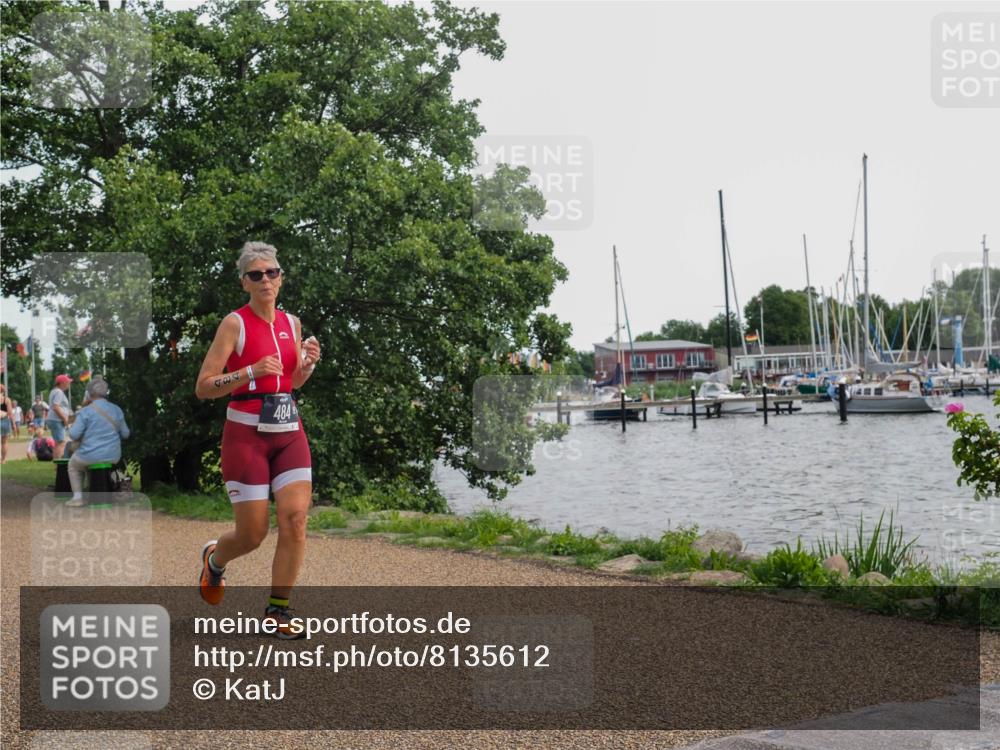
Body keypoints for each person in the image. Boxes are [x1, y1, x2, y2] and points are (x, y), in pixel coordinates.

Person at [195, 241, 321, 639]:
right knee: (252, 534)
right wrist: (248, 372)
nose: (265, 279)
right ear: (244, 283)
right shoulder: (235, 324)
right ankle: (215, 560)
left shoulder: (292, 323)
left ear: (281, 278)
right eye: (256, 274)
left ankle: (278, 612)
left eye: (272, 272)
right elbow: (204, 387)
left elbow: (291, 382)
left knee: (296, 519)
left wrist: (307, 366)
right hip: (246, 435)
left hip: (288, 433)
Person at [64, 376, 129, 507]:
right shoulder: (116, 409)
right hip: (113, 456)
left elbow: (74, 434)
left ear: (88, 394)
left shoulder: (85, 411)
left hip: (89, 455)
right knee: (90, 464)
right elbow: (126, 434)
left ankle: (77, 498)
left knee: (73, 466)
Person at [46, 374, 74, 459]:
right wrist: (65, 418)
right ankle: (59, 465)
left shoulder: (54, 391)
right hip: (57, 420)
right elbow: (56, 407)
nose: (69, 384)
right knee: (61, 443)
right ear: (61, 383)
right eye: (67, 382)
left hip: (53, 419)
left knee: (57, 443)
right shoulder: (59, 392)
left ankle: (56, 464)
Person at [0, 384, 12, 464]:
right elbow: (10, 413)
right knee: (4, 442)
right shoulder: (6, 400)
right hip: (4, 420)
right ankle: (3, 459)